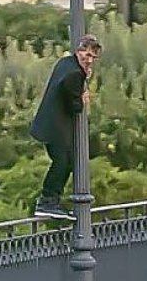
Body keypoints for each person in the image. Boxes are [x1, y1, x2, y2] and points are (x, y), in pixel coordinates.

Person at [29, 34, 101, 219]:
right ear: (79, 51)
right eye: (86, 54)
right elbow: (74, 106)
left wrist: (83, 80)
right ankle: (48, 201)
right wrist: (82, 99)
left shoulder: (66, 63)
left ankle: (50, 201)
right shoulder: (75, 74)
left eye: (92, 56)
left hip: (48, 124)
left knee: (66, 160)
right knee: (63, 163)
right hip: (56, 128)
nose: (88, 59)